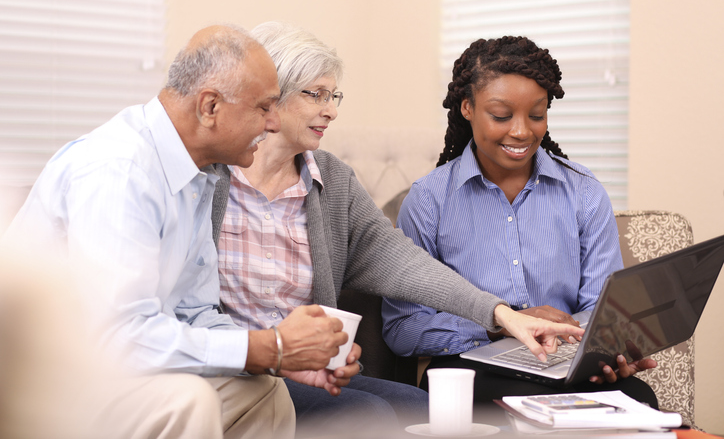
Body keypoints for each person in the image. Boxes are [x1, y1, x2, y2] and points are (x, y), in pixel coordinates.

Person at [210, 22, 586, 435]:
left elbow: (405, 263)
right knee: (370, 416)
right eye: (315, 94)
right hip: (232, 372)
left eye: (333, 96)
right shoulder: (209, 180)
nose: (331, 110)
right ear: (271, 95)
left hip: (305, 372)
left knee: (423, 408)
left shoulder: (332, 181)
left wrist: (500, 315)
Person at [2, 24, 358, 439]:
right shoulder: (120, 171)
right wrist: (269, 347)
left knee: (265, 391)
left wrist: (281, 360)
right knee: (187, 399)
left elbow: (195, 312)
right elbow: (118, 337)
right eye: (264, 107)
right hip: (39, 385)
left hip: (108, 373)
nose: (274, 122)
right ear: (210, 107)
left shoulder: (198, 175)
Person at [381, 36, 659, 407]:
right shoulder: (429, 201)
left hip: (566, 363)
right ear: (467, 107)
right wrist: (501, 323)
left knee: (640, 398)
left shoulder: (584, 192)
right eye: (501, 115)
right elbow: (402, 329)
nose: (522, 131)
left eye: (536, 114)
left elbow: (600, 310)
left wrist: (609, 352)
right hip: (473, 369)